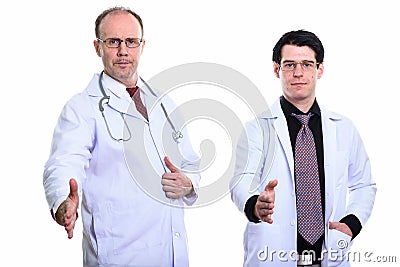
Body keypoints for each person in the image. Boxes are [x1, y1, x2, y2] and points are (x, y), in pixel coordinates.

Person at [43, 6, 200, 267]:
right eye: (113, 42)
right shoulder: (82, 107)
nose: (123, 51)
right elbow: (64, 162)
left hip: (172, 253)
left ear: (142, 45)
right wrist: (62, 200)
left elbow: (190, 162)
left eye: (131, 41)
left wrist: (189, 183)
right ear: (98, 47)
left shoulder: (164, 104)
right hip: (120, 254)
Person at [230, 30, 376, 267]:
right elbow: (240, 181)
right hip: (272, 256)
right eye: (289, 65)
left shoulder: (344, 128)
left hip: (329, 256)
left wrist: (352, 223)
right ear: (276, 69)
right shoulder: (256, 129)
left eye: (307, 64)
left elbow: (364, 184)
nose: (298, 73)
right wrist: (255, 205)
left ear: (320, 69)